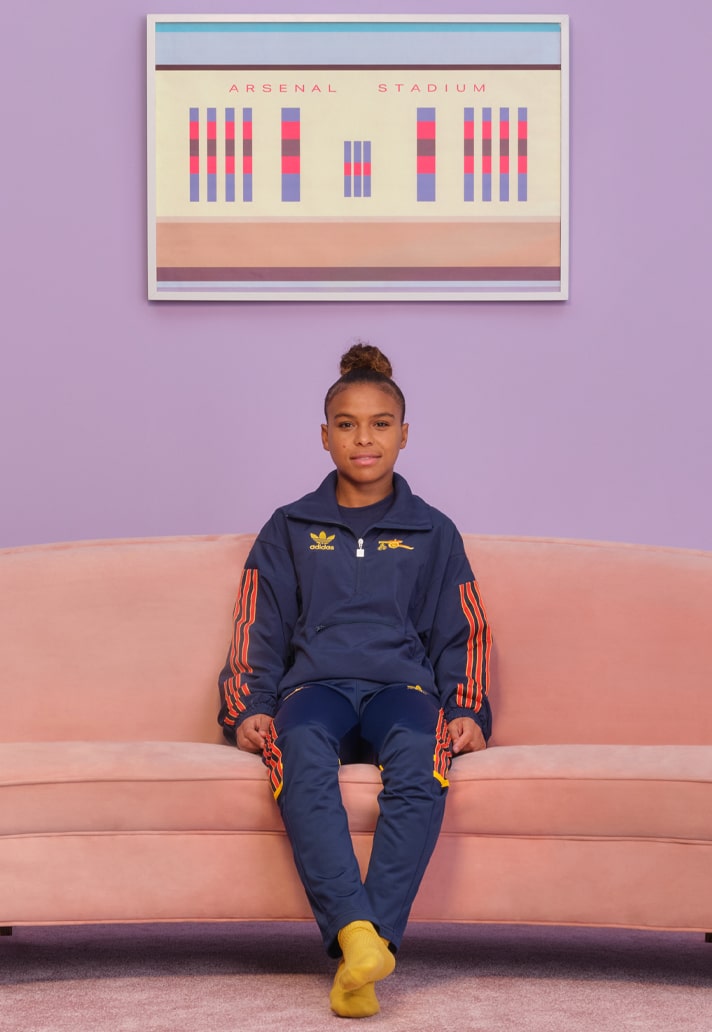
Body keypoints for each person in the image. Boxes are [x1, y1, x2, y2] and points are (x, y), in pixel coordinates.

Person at [218, 343, 492, 1018]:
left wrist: (467, 708)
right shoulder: (289, 526)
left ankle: (367, 946)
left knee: (423, 757)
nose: (363, 438)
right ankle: (357, 935)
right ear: (325, 435)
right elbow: (258, 623)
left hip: (404, 691)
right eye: (347, 424)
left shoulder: (434, 531)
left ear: (404, 434)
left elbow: (461, 627)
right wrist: (248, 706)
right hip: (315, 690)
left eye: (379, 424)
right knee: (299, 750)